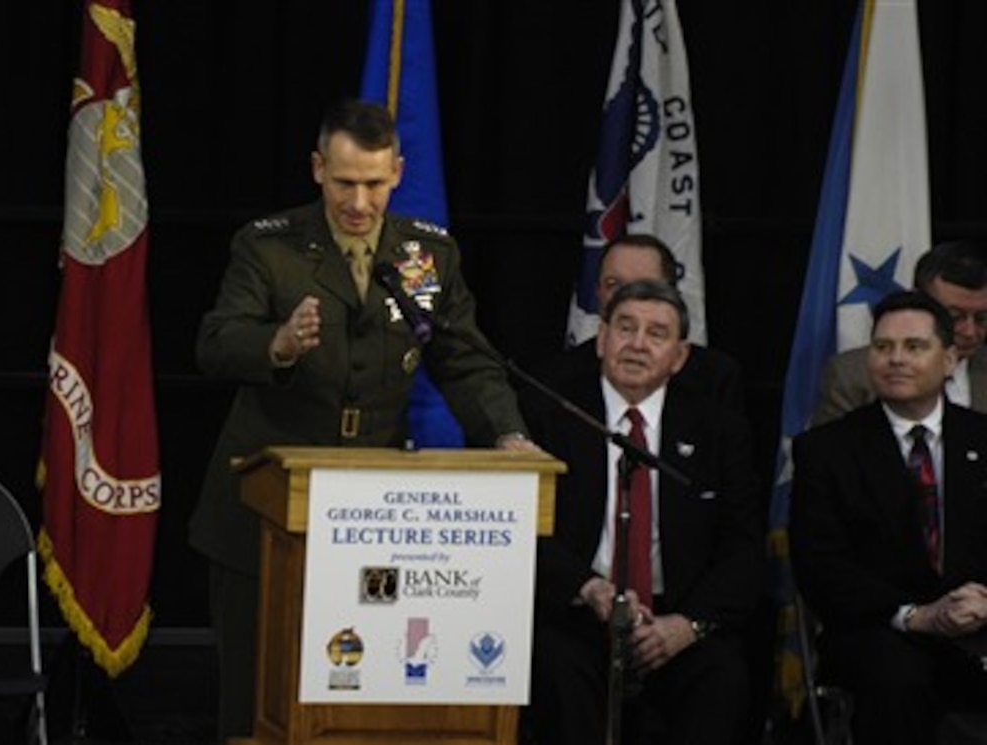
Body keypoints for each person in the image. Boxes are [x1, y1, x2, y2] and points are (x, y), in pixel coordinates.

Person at [190, 98, 536, 742]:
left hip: (372, 516)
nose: (359, 201)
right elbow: (216, 342)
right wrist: (279, 345)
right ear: (318, 168)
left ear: (398, 173)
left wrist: (506, 434)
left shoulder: (422, 259)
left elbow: (463, 360)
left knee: (358, 690)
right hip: (265, 513)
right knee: (254, 699)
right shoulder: (270, 250)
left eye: (374, 183)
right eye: (345, 181)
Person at [520, 280, 764, 745]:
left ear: (680, 355)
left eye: (656, 334)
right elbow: (524, 532)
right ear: (602, 339)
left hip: (675, 616)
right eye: (625, 328)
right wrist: (588, 589)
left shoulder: (718, 429)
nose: (637, 344)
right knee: (554, 666)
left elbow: (742, 549)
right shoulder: (548, 414)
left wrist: (686, 626)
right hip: (578, 610)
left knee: (723, 675)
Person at [790, 290, 987, 745]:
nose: (895, 359)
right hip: (878, 628)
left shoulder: (981, 436)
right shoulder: (826, 449)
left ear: (950, 359)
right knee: (898, 680)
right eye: (883, 347)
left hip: (977, 620)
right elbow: (820, 566)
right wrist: (915, 615)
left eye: (914, 347)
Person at [534, 234, 745, 411]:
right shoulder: (555, 381)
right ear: (598, 294)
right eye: (613, 284)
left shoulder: (715, 379)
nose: (628, 298)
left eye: (644, 287)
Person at [813, 239, 987, 425]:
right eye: (954, 317)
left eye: (982, 318)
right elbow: (829, 450)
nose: (970, 331)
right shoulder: (851, 378)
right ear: (919, 301)